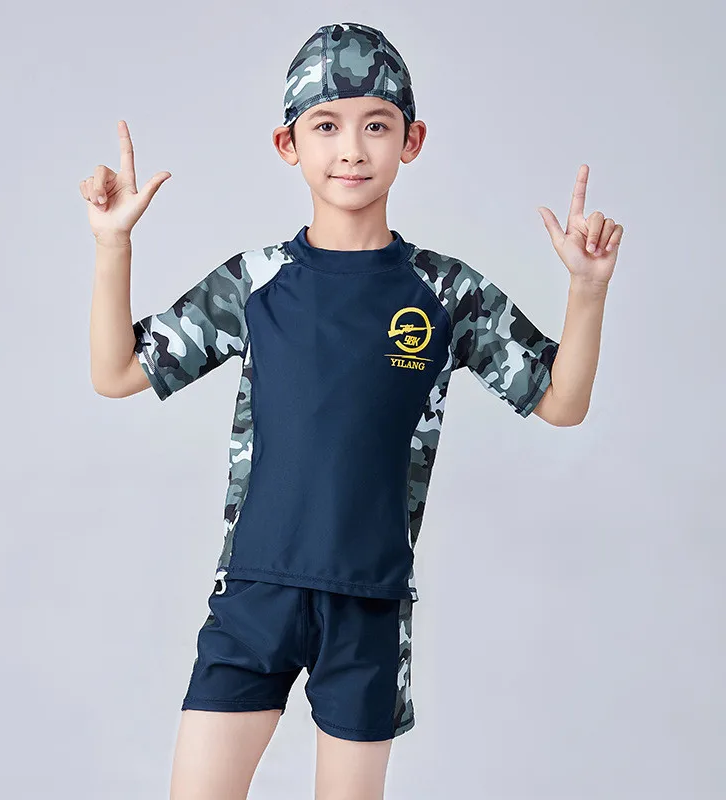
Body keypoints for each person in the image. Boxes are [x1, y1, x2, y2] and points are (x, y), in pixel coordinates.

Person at [81, 20, 623, 800]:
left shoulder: (446, 293)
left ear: (411, 140)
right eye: (326, 126)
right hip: (256, 593)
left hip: (371, 603)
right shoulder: (255, 283)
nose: (352, 149)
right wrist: (112, 246)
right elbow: (116, 372)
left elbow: (561, 402)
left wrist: (587, 290)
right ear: (288, 144)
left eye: (376, 125)